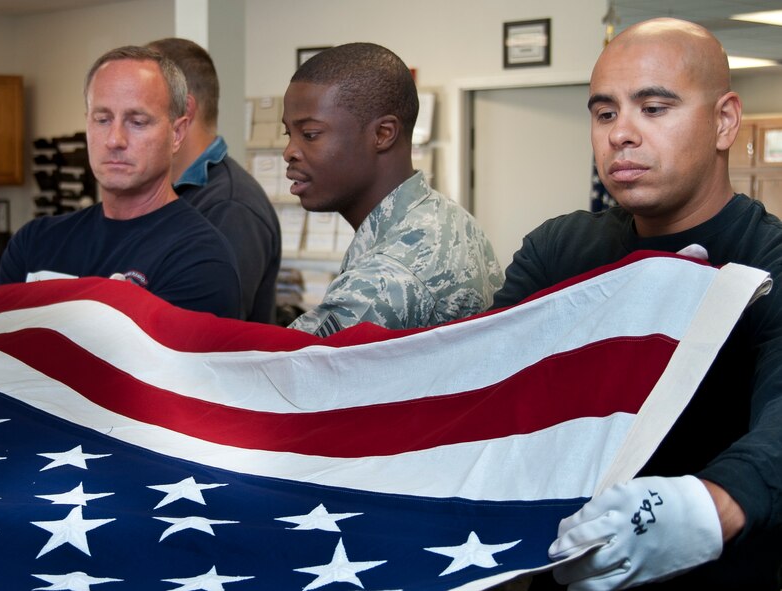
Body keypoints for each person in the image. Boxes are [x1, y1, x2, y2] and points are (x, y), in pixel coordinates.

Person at [489, 18, 782, 590]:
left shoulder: (767, 259)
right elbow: (484, 378)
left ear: (724, 121)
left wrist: (708, 507)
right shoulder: (560, 249)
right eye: (604, 113)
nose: (621, 133)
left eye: (653, 108)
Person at [0, 46, 242, 319]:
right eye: (102, 120)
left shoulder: (200, 259)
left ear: (177, 133)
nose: (114, 140)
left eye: (137, 122)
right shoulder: (34, 243)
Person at [282, 42, 502, 337]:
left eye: (310, 134)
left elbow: (281, 371)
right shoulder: (442, 215)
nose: (289, 152)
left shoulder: (388, 278)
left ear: (383, 134)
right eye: (289, 133)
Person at [146, 38, 281, 324]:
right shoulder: (166, 194)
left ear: (184, 110)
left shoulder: (230, 207)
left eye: (142, 109)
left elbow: (206, 330)